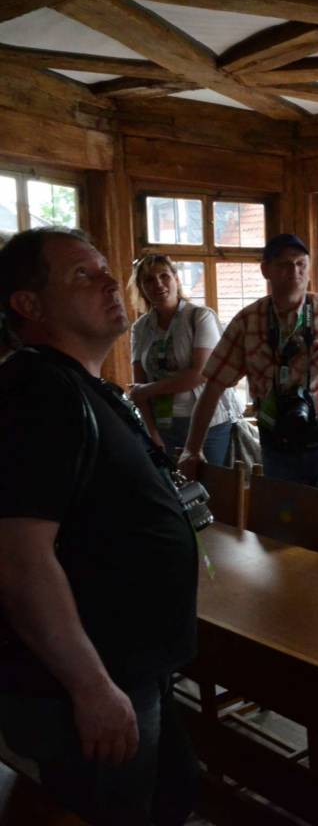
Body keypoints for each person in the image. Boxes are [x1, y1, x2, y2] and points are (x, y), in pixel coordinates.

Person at [0, 227, 200, 825]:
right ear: (29, 305)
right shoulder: (37, 393)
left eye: (107, 269)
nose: (113, 282)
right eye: (83, 275)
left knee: (172, 795)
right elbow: (19, 559)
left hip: (134, 666)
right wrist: (90, 687)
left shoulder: (78, 386)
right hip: (93, 683)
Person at [178, 234, 318, 560]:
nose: (294, 272)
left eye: (301, 264)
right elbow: (214, 387)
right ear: (266, 270)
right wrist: (192, 448)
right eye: (284, 265)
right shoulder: (248, 322)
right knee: (284, 535)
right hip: (278, 442)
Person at [128, 253, 242, 464]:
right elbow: (139, 388)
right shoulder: (140, 327)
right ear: (141, 288)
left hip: (209, 425)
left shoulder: (200, 316)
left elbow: (200, 374)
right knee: (171, 485)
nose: (158, 284)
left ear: (176, 279)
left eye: (164, 276)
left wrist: (148, 390)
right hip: (164, 426)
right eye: (149, 280)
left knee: (208, 484)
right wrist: (152, 433)